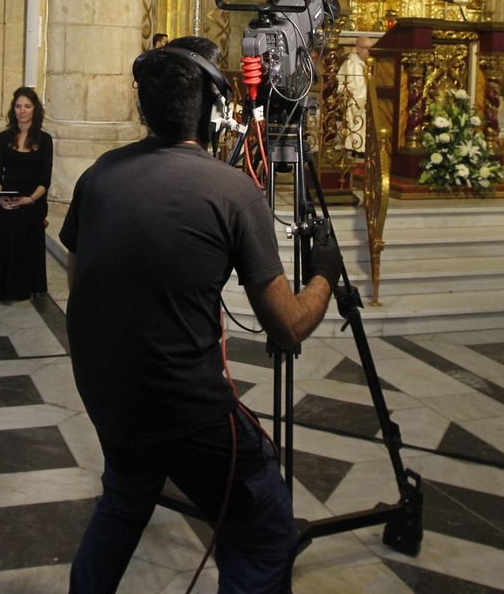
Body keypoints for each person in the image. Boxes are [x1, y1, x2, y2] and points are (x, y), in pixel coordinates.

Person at [61, 36, 342, 593]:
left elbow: (80, 281)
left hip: (106, 395)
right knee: (266, 534)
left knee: (125, 497)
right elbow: (287, 327)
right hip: (185, 409)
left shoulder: (98, 174)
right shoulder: (232, 190)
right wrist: (325, 276)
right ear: (215, 109)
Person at [0, 87, 53, 302]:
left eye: (27, 106)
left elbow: (45, 181)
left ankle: (15, 288)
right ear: (13, 109)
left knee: (15, 225)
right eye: (18, 106)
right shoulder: (3, 138)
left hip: (33, 199)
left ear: (35, 109)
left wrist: (29, 200)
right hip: (6, 195)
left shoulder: (45, 140)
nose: (22, 111)